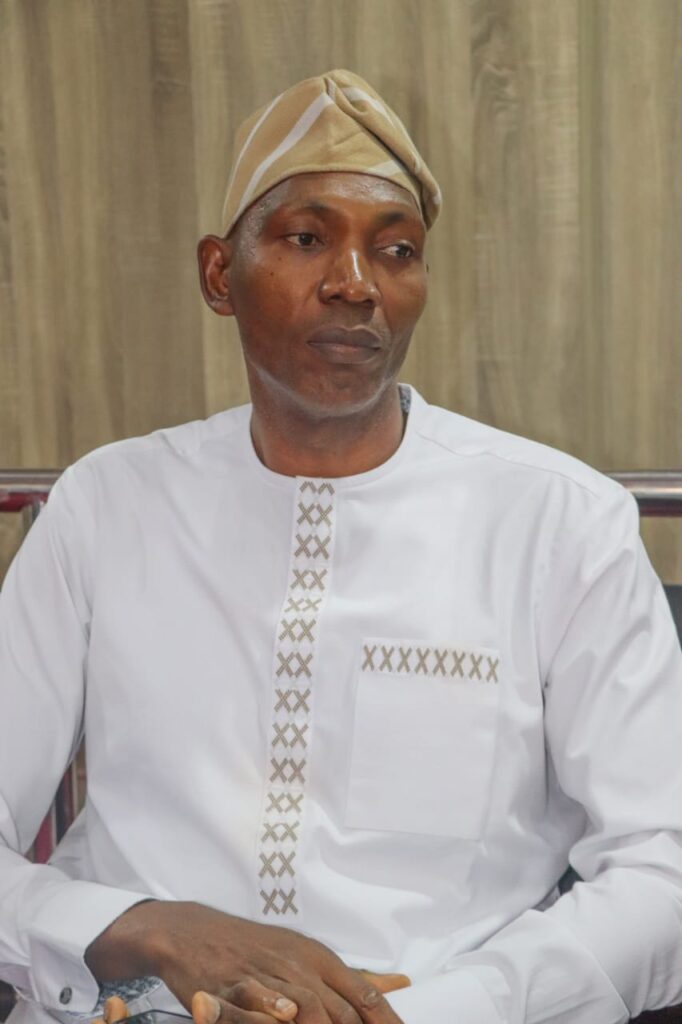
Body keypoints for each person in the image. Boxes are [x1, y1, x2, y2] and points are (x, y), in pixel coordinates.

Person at [1, 69, 681, 1024]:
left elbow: (662, 866)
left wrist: (426, 1012)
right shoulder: (105, 507)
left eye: (395, 250)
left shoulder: (561, 523)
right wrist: (141, 928)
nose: (355, 284)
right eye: (307, 238)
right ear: (219, 275)